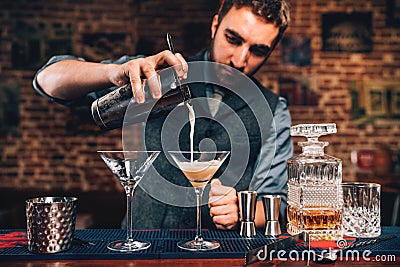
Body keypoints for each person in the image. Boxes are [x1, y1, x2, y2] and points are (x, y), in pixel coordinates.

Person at [33, 0, 292, 230]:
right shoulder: (154, 74)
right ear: (215, 25)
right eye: (233, 39)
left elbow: (277, 204)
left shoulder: (273, 110)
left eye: (258, 50)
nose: (240, 59)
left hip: (218, 257)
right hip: (141, 250)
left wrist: (242, 210)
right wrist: (113, 72)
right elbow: (47, 80)